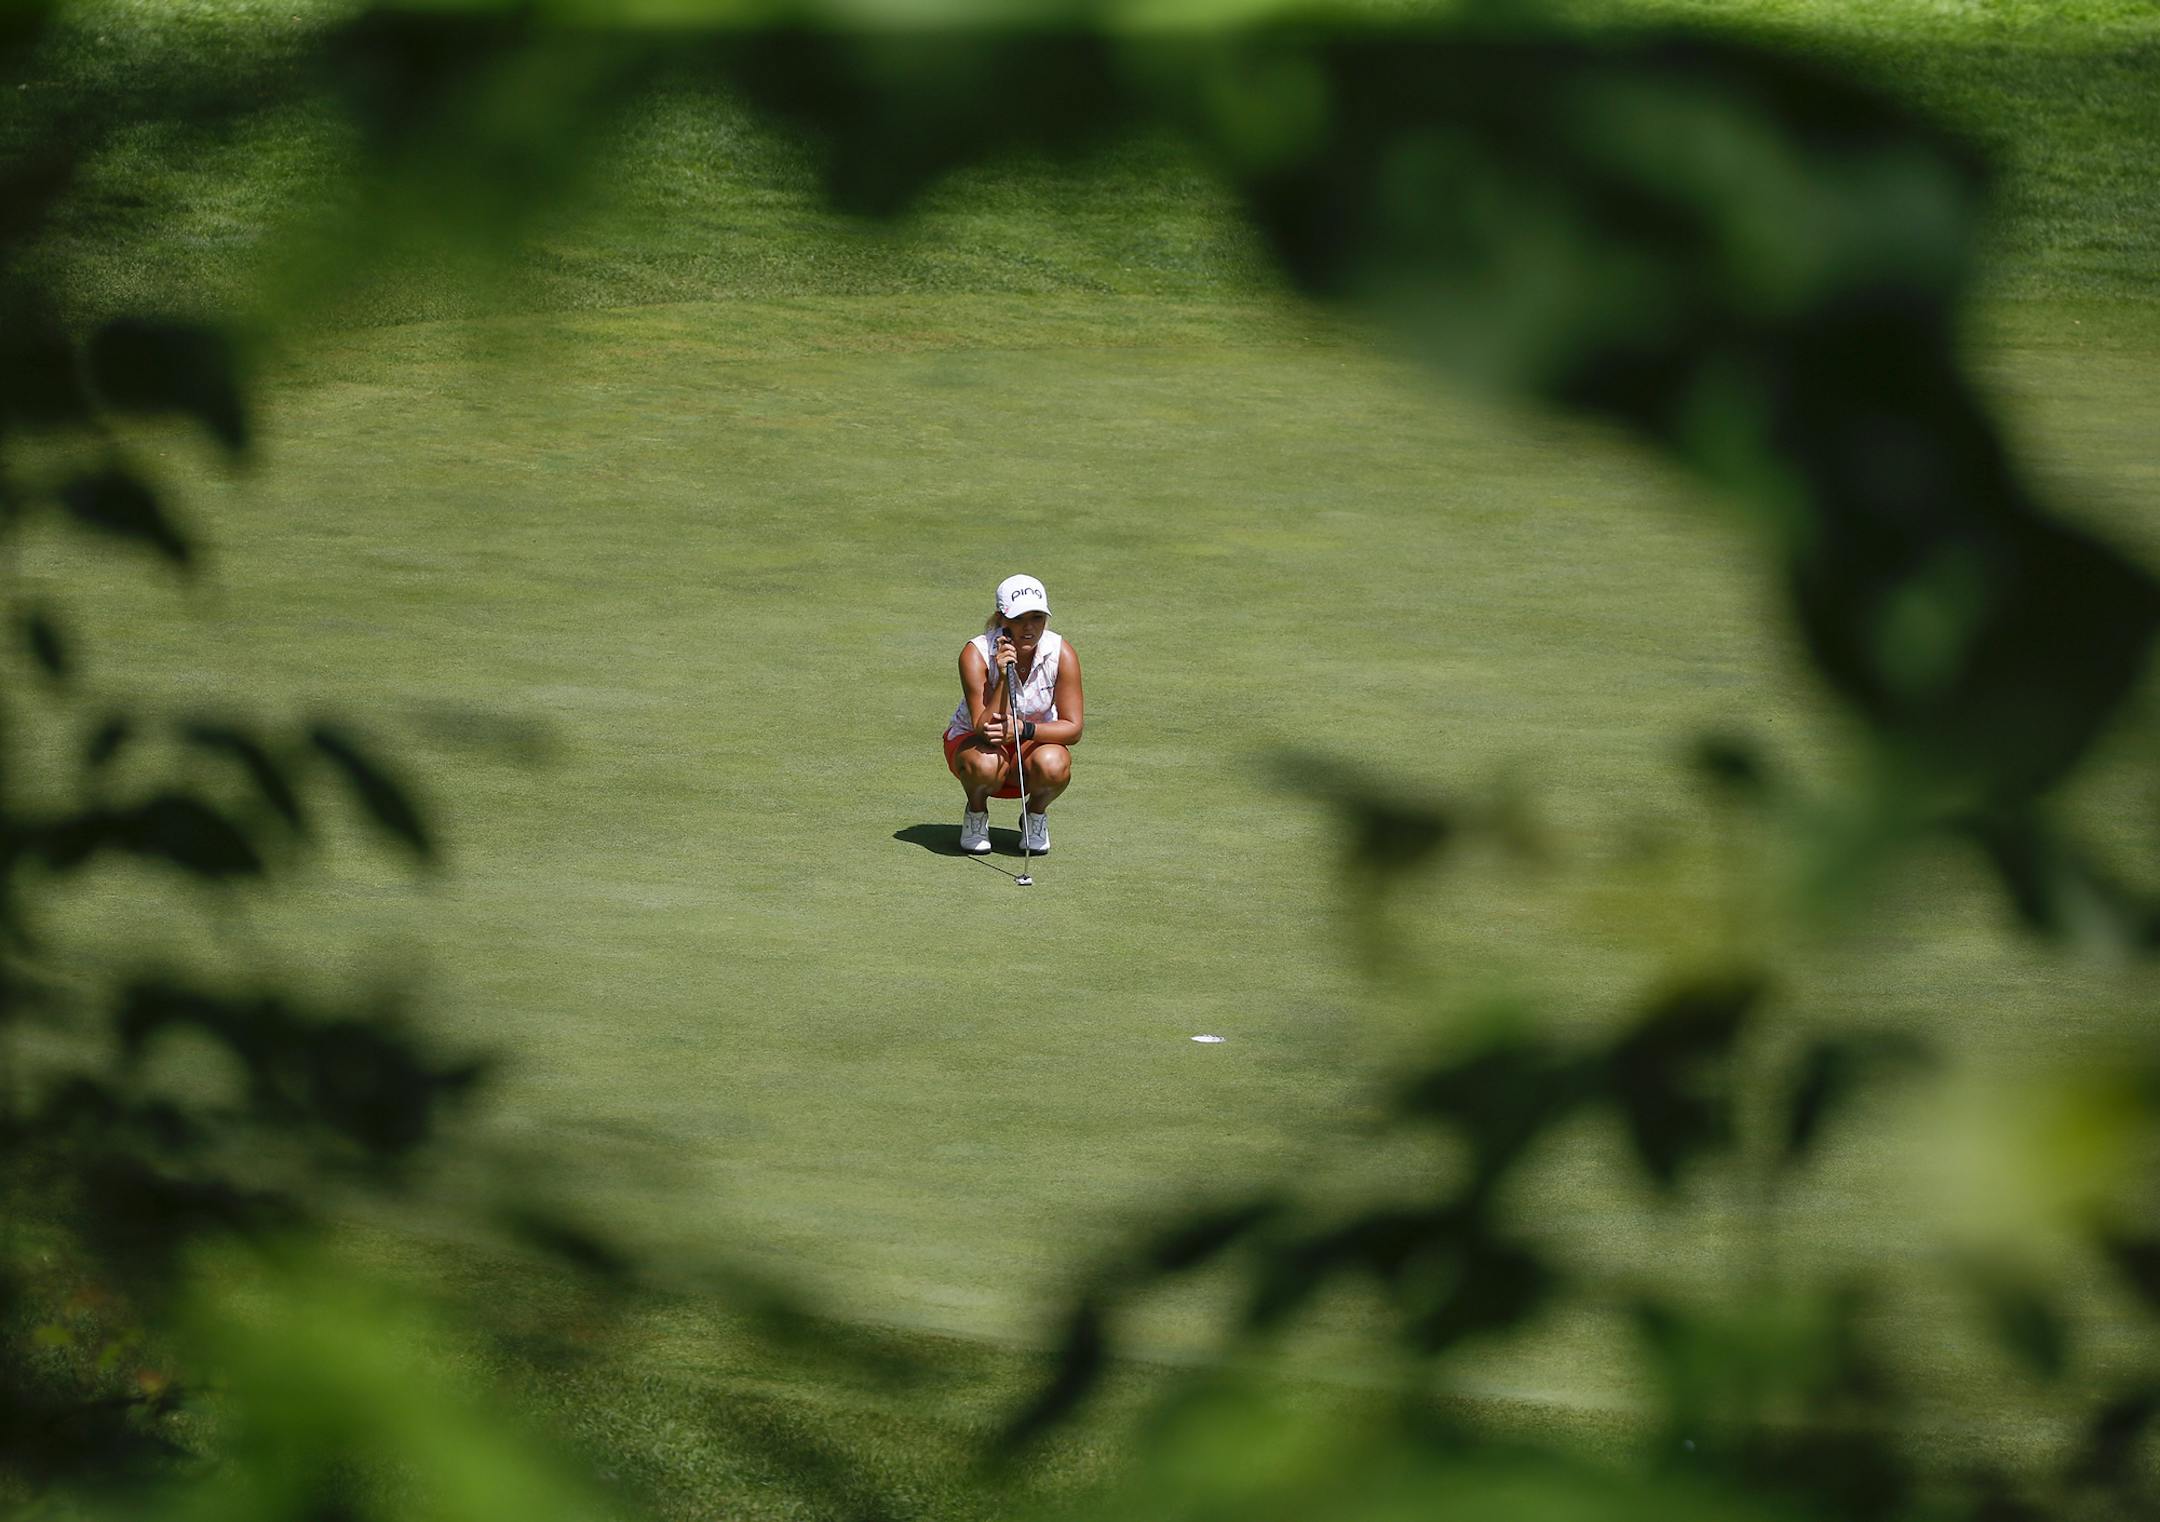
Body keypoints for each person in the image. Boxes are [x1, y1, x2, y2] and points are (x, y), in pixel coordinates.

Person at [943, 573, 1084, 856]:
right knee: (985, 763)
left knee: (1055, 763)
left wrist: (1023, 730)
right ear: (1001, 619)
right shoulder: (976, 653)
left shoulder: (1060, 652)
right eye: (1019, 619)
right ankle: (976, 813)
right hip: (976, 745)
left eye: (1037, 617)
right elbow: (984, 727)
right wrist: (1005, 676)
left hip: (1029, 745)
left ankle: (1034, 816)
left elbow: (1073, 728)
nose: (1029, 627)